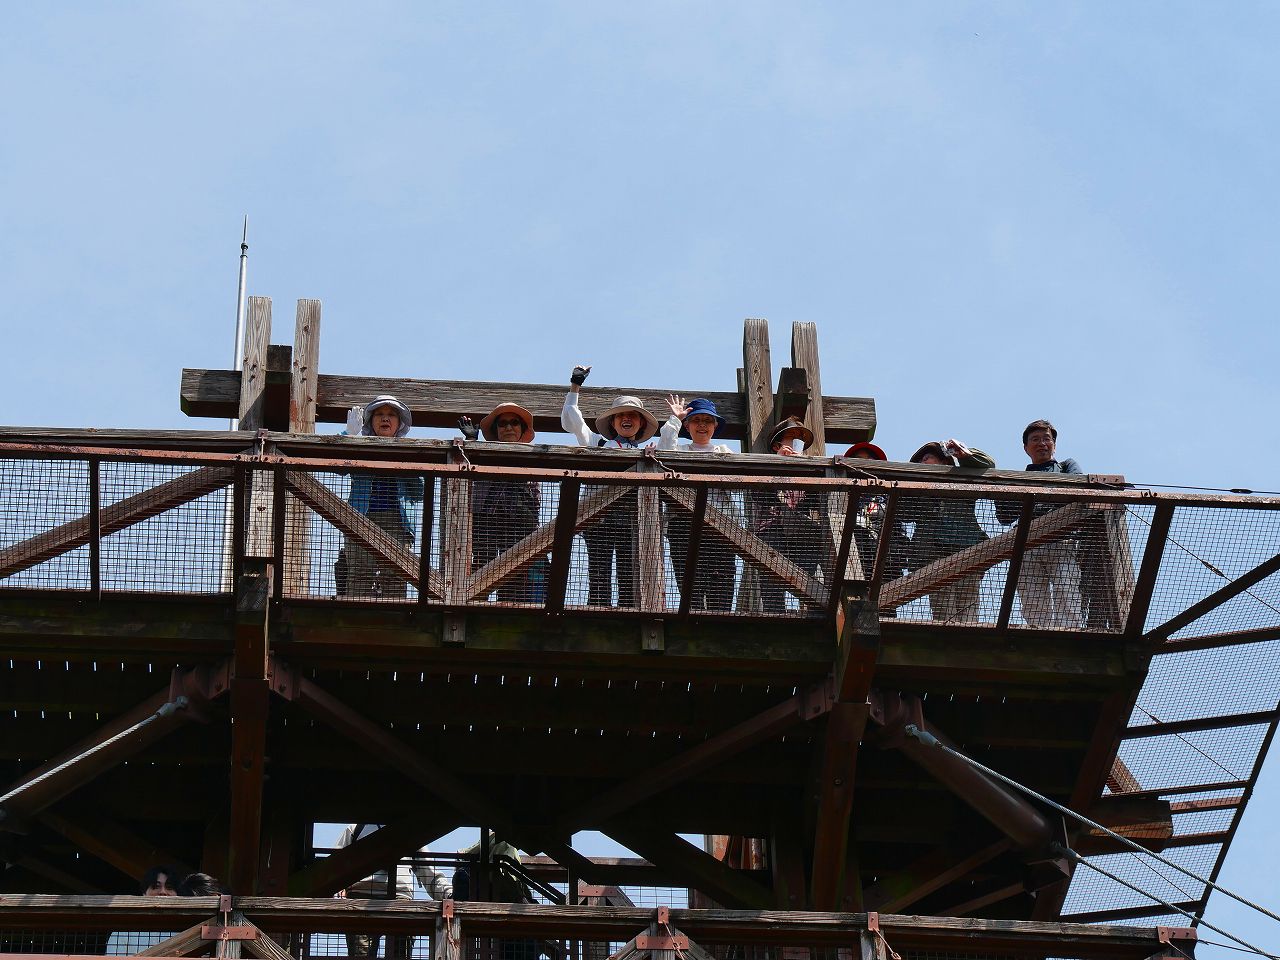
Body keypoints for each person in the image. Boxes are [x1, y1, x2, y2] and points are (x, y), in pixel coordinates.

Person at [561, 365, 659, 607]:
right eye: (621, 415)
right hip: (598, 518)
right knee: (599, 571)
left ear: (641, 424)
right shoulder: (597, 442)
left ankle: (628, 610)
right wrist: (575, 386)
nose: (627, 419)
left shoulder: (648, 452)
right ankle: (597, 609)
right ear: (613, 422)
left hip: (631, 519)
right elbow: (572, 420)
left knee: (629, 571)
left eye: (633, 415)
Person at [996, 419, 1084, 628]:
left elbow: (1078, 489)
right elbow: (1004, 515)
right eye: (1035, 439)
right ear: (1026, 448)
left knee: (1067, 589)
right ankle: (1037, 633)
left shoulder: (1066, 466)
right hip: (1027, 545)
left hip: (1062, 540)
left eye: (1047, 439)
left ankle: (1070, 633)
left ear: (1054, 445)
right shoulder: (1019, 478)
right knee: (1032, 598)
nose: (1042, 443)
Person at [336, 396, 425, 599]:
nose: (385, 419)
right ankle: (355, 610)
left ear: (399, 423)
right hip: (360, 518)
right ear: (371, 421)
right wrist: (348, 436)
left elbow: (418, 492)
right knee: (360, 572)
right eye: (379, 414)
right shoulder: (360, 448)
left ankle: (395, 613)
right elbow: (337, 466)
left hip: (397, 522)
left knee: (395, 574)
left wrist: (403, 460)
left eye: (391, 414)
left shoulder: (410, 450)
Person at [657, 395, 739, 610]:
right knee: (690, 590)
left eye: (707, 420)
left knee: (721, 594)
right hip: (683, 526)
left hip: (722, 529)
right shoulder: (680, 451)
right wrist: (675, 419)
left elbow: (739, 484)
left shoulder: (724, 451)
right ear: (687, 425)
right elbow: (662, 452)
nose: (702, 425)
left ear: (715, 425)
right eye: (696, 420)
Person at [460, 403, 547, 603]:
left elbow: (535, 500)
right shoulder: (486, 454)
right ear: (496, 430)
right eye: (503, 423)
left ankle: (514, 607)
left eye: (514, 423)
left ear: (522, 429)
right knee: (482, 568)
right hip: (486, 522)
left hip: (520, 523)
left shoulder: (533, 456)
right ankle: (474, 606)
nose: (509, 427)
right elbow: (468, 471)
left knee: (519, 571)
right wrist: (472, 442)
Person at [903, 439, 997, 623]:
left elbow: (988, 465)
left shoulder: (961, 480)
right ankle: (947, 634)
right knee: (943, 607)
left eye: (927, 458)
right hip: (932, 554)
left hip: (966, 549)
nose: (922, 462)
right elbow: (903, 513)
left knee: (968, 605)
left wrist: (963, 453)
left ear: (945, 461)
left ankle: (969, 635)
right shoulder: (918, 492)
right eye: (920, 461)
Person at [335, 823, 453, 960]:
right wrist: (450, 894)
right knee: (385, 952)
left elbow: (332, 868)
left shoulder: (409, 831)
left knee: (367, 953)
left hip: (372, 899)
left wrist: (449, 894)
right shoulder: (357, 828)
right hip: (373, 899)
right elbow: (430, 875)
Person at [754, 417, 831, 613]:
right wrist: (779, 464)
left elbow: (818, 501)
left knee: (809, 580)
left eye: (800, 438)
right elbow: (759, 495)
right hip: (772, 528)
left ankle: (814, 615)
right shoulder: (764, 466)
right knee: (771, 578)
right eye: (792, 436)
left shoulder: (812, 468)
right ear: (777, 445)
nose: (797, 440)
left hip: (802, 530)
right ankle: (775, 615)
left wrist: (805, 469)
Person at [842, 442, 909, 591]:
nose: (865, 464)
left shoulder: (889, 496)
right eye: (859, 459)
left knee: (886, 602)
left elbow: (900, 532)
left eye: (870, 459)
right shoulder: (841, 496)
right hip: (853, 563)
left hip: (887, 565)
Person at [104, 866, 179, 954]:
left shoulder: (185, 927)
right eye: (156, 887)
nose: (163, 892)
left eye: (169, 887)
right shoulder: (124, 931)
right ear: (144, 893)